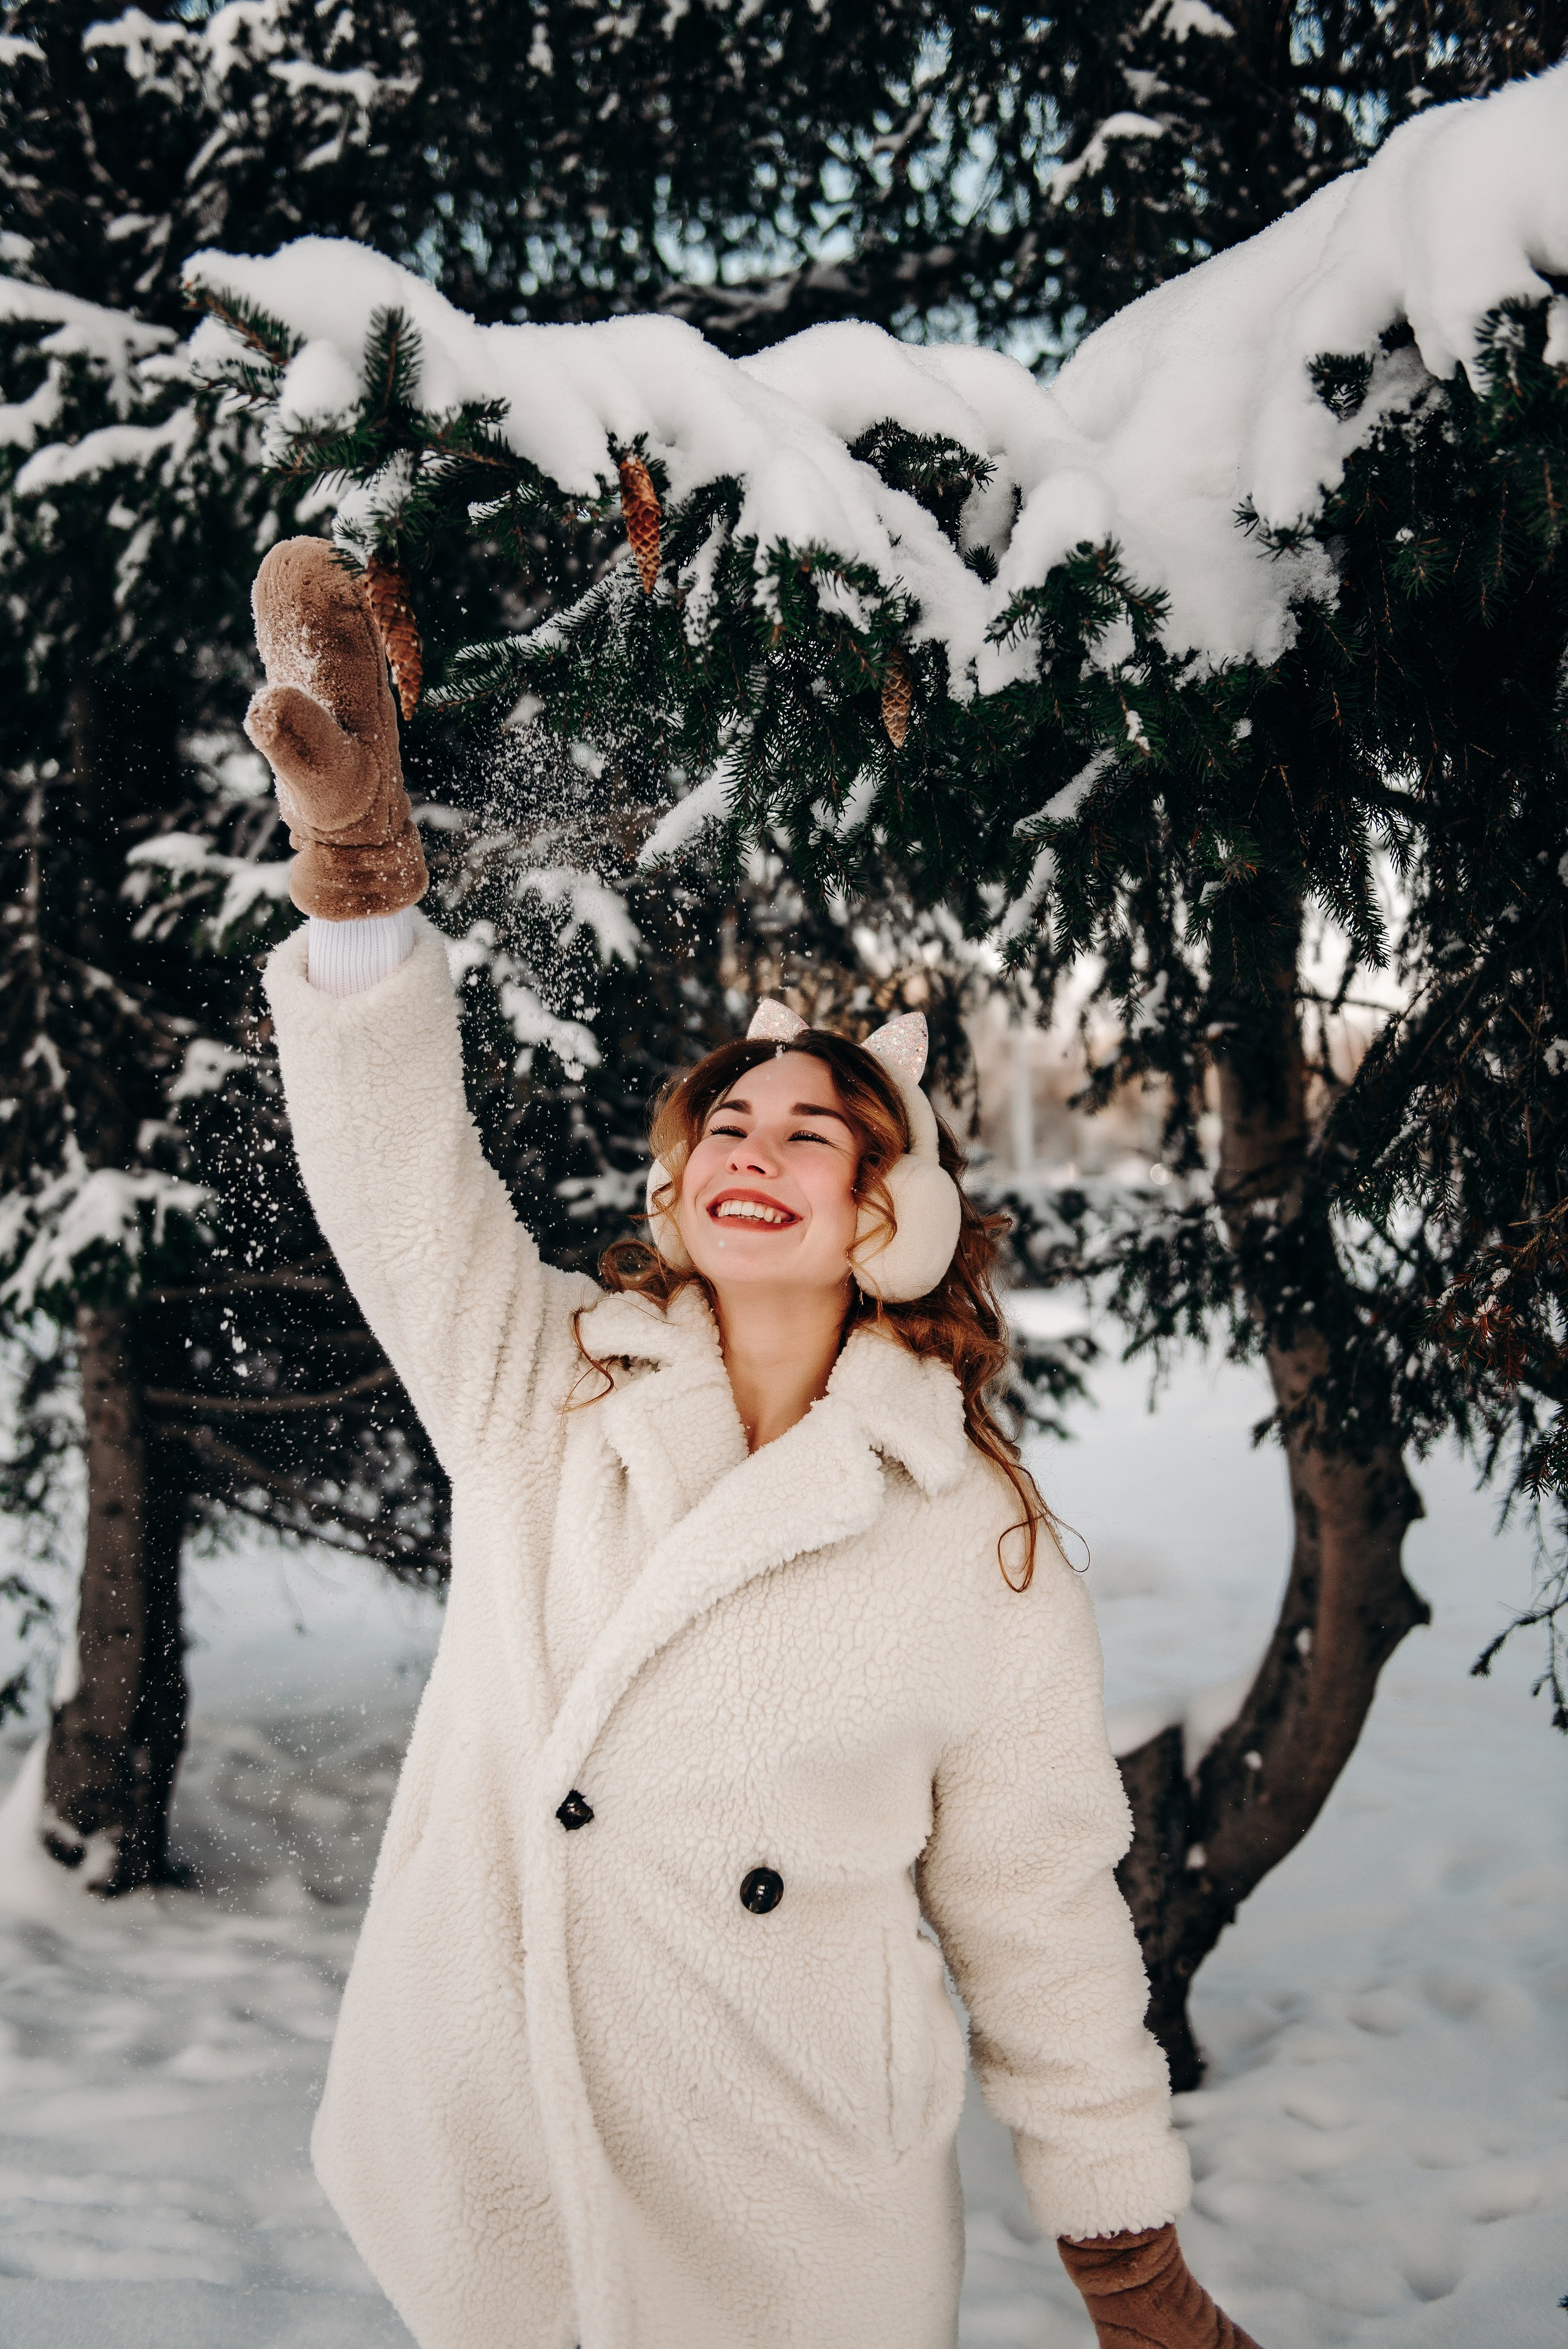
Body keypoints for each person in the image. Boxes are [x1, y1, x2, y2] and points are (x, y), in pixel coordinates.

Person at [245, 537, 1261, 2349]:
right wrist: (360, 889)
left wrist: (1129, 2256)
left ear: (892, 1218)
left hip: (796, 2216)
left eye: (813, 1131)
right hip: (502, 2165)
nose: (752, 1145)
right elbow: (400, 1181)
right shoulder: (542, 1377)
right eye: (727, 1118)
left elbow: (1037, 1916)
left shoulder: (972, 1535)